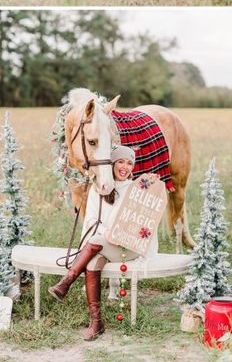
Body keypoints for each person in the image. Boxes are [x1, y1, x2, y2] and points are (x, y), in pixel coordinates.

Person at [48, 145, 157, 340]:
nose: (125, 167)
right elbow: (90, 221)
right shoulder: (98, 190)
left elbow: (147, 214)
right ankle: (96, 322)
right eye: (121, 162)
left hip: (128, 246)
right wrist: (108, 233)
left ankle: (67, 281)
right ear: (112, 164)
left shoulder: (136, 189)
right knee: (91, 262)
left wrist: (152, 181)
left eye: (130, 163)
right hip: (103, 245)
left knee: (97, 240)